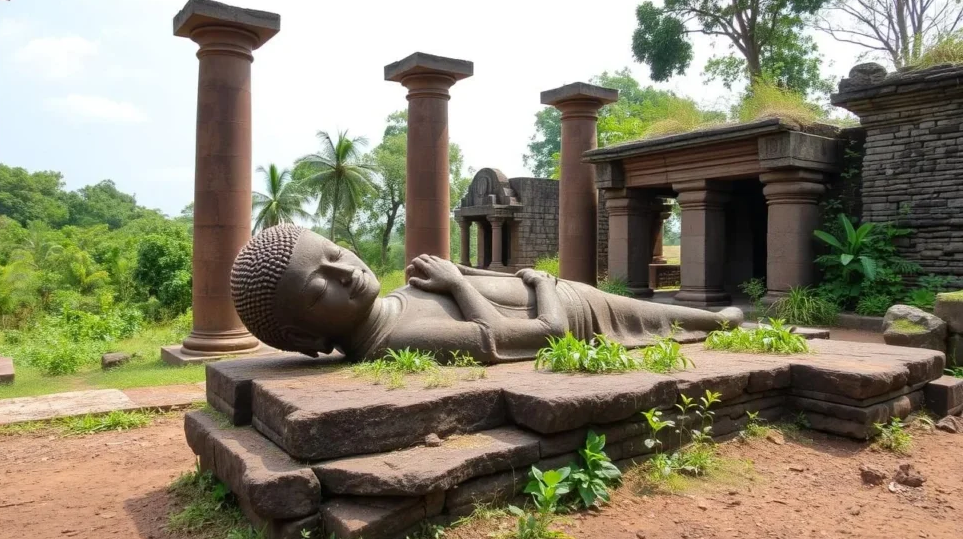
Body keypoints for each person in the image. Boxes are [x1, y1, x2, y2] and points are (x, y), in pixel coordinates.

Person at [231, 224, 743, 363]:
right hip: (576, 312)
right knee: (666, 321)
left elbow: (480, 294)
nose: (346, 272)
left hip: (569, 293)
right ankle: (721, 322)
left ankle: (719, 321)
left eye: (337, 253)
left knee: (659, 315)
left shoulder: (391, 302)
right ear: (307, 337)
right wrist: (541, 283)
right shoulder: (395, 340)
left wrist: (460, 275)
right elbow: (545, 334)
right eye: (321, 287)